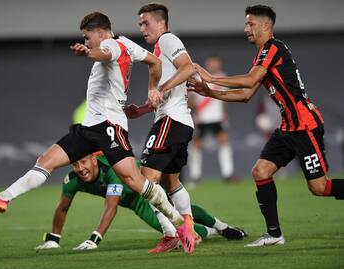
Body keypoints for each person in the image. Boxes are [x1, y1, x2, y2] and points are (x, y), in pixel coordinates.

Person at [0, 12, 196, 254]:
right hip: (89, 128)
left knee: (135, 181)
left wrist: (89, 53)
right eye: (85, 40)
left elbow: (104, 53)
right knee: (45, 161)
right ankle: (3, 198)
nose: (86, 42)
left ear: (100, 32)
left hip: (109, 126)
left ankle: (181, 225)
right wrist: (151, 88)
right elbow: (155, 63)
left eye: (88, 38)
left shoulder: (110, 45)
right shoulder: (127, 43)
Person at [188, 5, 344, 247]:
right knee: (260, 171)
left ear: (265, 26)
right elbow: (246, 94)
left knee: (319, 186)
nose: (246, 28)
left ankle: (274, 233)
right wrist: (210, 92)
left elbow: (249, 80)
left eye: (250, 24)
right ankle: (274, 234)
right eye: (246, 24)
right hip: (288, 128)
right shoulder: (263, 54)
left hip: (305, 126)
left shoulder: (273, 48)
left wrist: (211, 78)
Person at [34, 154, 247, 253]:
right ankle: (215, 231)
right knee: (173, 224)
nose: (80, 168)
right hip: (136, 203)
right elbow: (62, 208)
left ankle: (221, 227)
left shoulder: (112, 172)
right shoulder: (72, 181)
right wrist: (54, 238)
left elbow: (111, 206)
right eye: (75, 164)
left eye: (83, 162)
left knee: (180, 211)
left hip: (147, 186)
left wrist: (94, 240)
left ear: (94, 159)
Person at [124, 3, 197, 253]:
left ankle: (172, 234)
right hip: (178, 121)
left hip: (171, 121)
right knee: (171, 182)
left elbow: (189, 67)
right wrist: (143, 110)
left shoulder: (167, 39)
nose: (142, 28)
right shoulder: (157, 51)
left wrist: (160, 89)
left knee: (145, 181)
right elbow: (164, 94)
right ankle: (191, 232)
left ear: (161, 23)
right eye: (140, 24)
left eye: (146, 23)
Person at [188, 55, 237, 185]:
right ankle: (195, 176)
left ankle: (228, 174)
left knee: (224, 143)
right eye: (211, 63)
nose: (213, 65)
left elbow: (225, 99)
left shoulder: (223, 77)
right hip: (202, 118)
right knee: (196, 146)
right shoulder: (198, 77)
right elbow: (192, 99)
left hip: (218, 118)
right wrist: (195, 113)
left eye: (216, 63)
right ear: (207, 64)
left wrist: (225, 116)